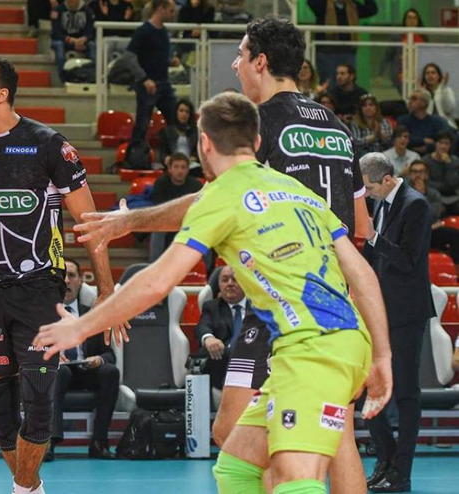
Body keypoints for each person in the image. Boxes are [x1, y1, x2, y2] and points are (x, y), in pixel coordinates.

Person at [34, 91, 392, 494]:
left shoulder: (221, 195)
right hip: (334, 342)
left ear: (204, 143)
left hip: (315, 349)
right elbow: (361, 273)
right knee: (237, 464)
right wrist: (381, 355)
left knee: (296, 478)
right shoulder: (296, 190)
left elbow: (157, 281)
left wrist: (80, 327)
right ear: (257, 142)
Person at [0, 54, 120, 494]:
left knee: (39, 400)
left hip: (39, 288)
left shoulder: (48, 145)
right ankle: (30, 488)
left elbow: (89, 222)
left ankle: (22, 490)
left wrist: (107, 290)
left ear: (1, 95)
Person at [360, 152, 433, 493]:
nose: (367, 193)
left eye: (370, 187)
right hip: (379, 313)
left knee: (405, 394)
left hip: (406, 314)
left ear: (388, 179)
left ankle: (401, 472)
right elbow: (373, 258)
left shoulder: (415, 205)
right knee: (370, 390)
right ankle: (385, 461)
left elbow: (408, 260)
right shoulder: (380, 204)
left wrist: (374, 238)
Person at [44, 257, 119, 462]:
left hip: (86, 370)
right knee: (58, 371)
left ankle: (99, 443)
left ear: (80, 281)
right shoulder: (43, 315)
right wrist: (51, 356)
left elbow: (109, 354)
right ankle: (48, 443)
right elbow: (29, 349)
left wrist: (99, 359)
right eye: (62, 276)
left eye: (72, 276)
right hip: (58, 372)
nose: (67, 281)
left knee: (110, 371)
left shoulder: (92, 315)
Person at [122, 0, 178, 168]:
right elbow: (129, 57)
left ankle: (175, 156)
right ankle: (135, 158)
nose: (173, 14)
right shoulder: (143, 31)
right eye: (171, 10)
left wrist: (170, 61)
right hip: (148, 84)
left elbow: (155, 57)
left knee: (176, 119)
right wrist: (144, 79)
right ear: (160, 8)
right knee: (142, 124)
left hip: (163, 82)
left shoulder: (164, 32)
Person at [195, 265, 250, 390]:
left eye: (235, 279)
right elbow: (203, 326)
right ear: (219, 286)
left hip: (252, 358)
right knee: (206, 354)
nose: (230, 284)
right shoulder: (212, 307)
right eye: (225, 280)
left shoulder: (258, 307)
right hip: (223, 362)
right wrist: (209, 338)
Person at [307, 0, 378, 84]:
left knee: (348, 83)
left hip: (348, 52)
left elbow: (371, 10)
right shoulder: (322, 4)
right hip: (327, 52)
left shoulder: (353, 5)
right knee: (328, 82)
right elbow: (311, 2)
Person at [149, 152, 202, 260]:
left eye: (183, 167)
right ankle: (153, 263)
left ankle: (207, 268)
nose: (180, 171)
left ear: (188, 170)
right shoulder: (161, 183)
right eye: (176, 167)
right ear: (170, 169)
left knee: (204, 229)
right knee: (158, 229)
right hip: (167, 220)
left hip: (189, 220)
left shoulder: (196, 185)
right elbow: (158, 208)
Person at [407, 159, 459, 263]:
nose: (418, 175)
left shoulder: (434, 194)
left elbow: (434, 213)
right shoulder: (403, 193)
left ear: (426, 175)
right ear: (409, 175)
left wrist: (422, 195)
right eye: (414, 172)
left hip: (430, 232)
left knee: (455, 235)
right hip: (410, 233)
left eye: (421, 172)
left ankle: (455, 268)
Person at [50, 0, 96, 82]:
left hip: (82, 41)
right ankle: (62, 78)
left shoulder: (88, 11)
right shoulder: (57, 10)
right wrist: (70, 40)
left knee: (92, 45)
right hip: (63, 40)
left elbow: (90, 31)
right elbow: (56, 32)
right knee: (59, 46)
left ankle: (93, 75)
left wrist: (84, 39)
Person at [397, 88, 448, 155]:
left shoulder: (437, 121)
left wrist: (428, 148)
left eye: (414, 99)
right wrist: (424, 140)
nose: (410, 101)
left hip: (432, 155)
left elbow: (443, 141)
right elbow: (402, 139)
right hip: (407, 155)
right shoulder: (403, 120)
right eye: (410, 99)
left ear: (424, 103)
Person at [157, 98, 200, 173]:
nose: (184, 114)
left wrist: (194, 158)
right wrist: (166, 158)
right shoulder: (167, 132)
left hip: (191, 165)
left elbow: (198, 152)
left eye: (187, 112)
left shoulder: (195, 132)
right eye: (181, 111)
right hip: (172, 164)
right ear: (176, 112)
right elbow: (163, 153)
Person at [421, 130, 459, 213]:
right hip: (434, 195)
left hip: (453, 196)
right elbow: (427, 182)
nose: (443, 146)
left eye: (446, 144)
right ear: (436, 144)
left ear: (450, 146)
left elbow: (453, 183)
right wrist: (445, 186)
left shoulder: (455, 161)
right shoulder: (426, 160)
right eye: (441, 143)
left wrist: (449, 164)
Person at [349, 93, 392, 159]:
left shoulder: (384, 121)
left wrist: (380, 133)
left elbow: (390, 141)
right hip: (363, 156)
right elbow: (356, 143)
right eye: (364, 105)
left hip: (382, 155)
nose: (368, 108)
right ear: (361, 109)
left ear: (376, 107)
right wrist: (373, 136)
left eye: (371, 105)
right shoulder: (355, 123)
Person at [420, 62, 456, 130]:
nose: (430, 75)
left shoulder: (447, 90)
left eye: (433, 73)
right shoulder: (420, 92)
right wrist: (421, 93)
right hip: (426, 127)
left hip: (445, 125)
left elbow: (449, 109)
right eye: (427, 73)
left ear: (439, 76)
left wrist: (443, 88)